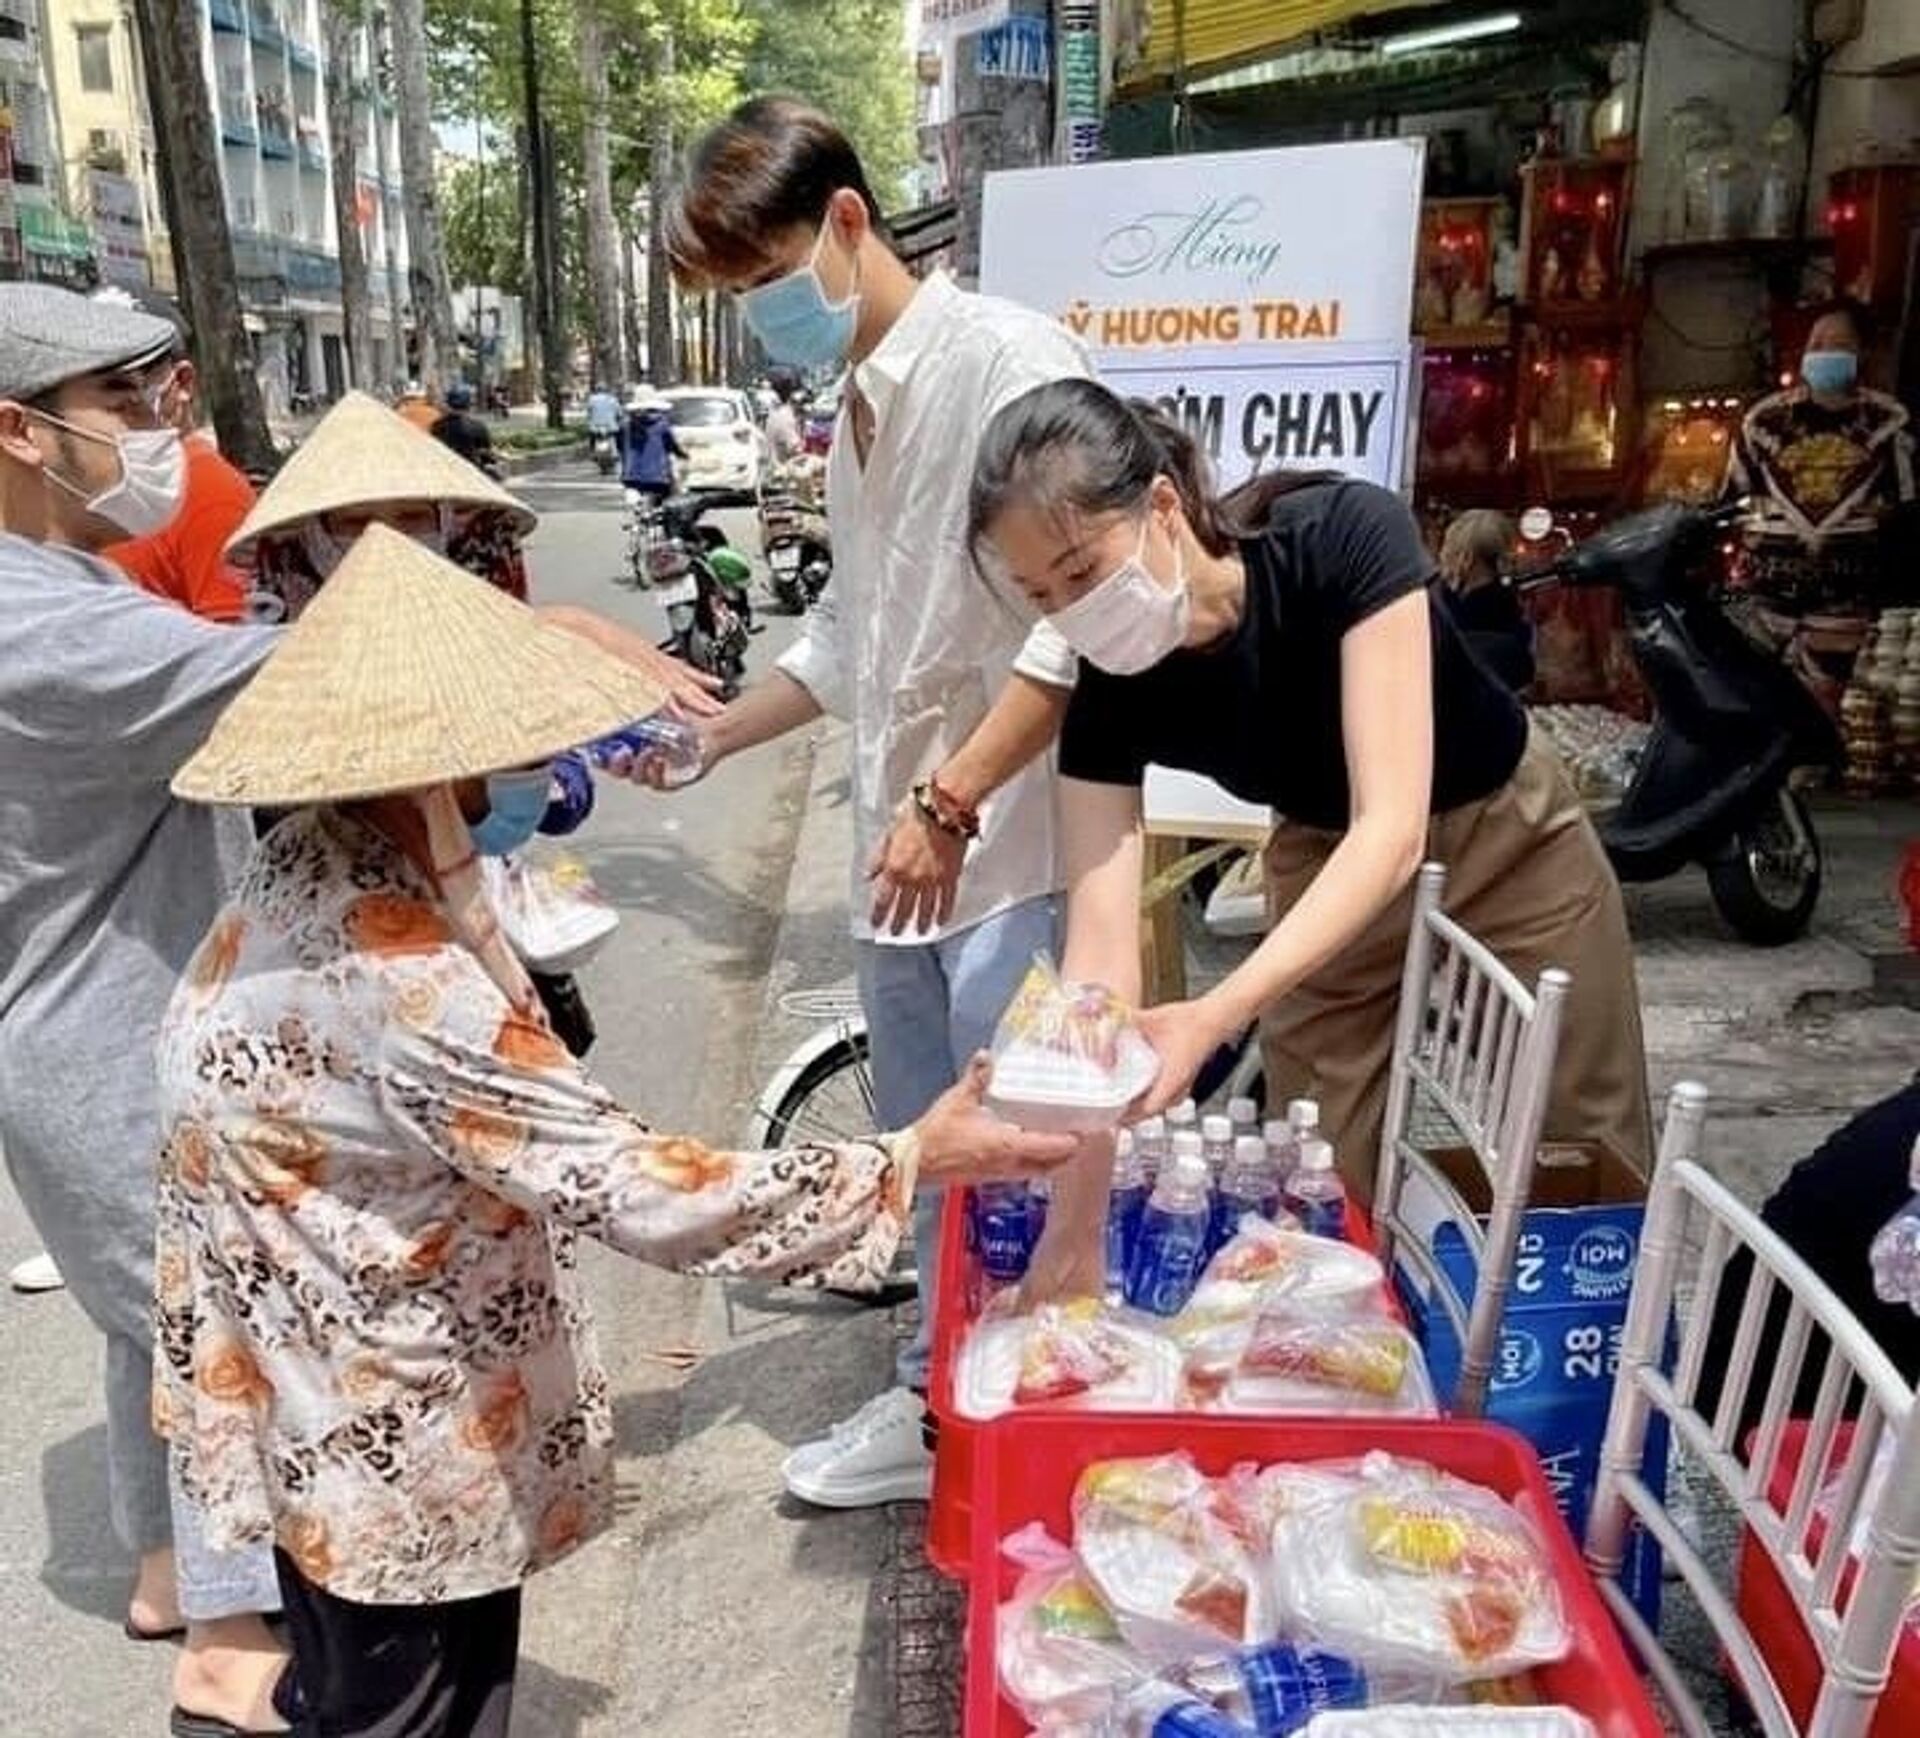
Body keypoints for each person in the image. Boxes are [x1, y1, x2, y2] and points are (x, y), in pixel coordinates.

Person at [157, 526, 1077, 1736]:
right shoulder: (399, 973)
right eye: (517, 741)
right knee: (410, 1697)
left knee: (359, 1667)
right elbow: (639, 1186)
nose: (537, 767)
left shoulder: (314, 855)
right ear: (444, 753)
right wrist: (909, 1157)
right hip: (388, 1430)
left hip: (312, 1387)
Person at [965, 379, 1654, 1290]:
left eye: (1083, 570)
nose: (1072, 612)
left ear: (1163, 506)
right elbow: (1099, 957)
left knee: (1581, 1115)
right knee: (1317, 1141)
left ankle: (1598, 1343)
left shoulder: (1340, 536)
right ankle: (1361, 1338)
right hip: (1323, 844)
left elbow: (1393, 826)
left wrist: (1213, 1013)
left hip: (1504, 824)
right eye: (1041, 594)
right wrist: (1076, 1213)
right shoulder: (1105, 698)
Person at [661, 95, 1091, 1508]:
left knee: (1018, 1152)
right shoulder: (854, 406)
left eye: (760, 283)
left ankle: (1012, 1424)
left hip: (1006, 849)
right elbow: (855, 632)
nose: (756, 321)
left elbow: (1073, 627)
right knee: (929, 1148)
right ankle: (938, 1398)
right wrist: (716, 734)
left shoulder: (1009, 366)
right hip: (896, 856)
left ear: (847, 221)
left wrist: (954, 797)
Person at [0, 282, 291, 1735]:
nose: (167, 429)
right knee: (213, 1320)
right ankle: (233, 1646)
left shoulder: (82, 580)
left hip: (112, 1024)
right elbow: (281, 677)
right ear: (20, 430)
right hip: (97, 1043)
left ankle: (173, 1567)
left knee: (147, 1318)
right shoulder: (28, 621)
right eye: (128, 402)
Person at [1727, 299, 1917, 611]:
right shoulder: (1762, 421)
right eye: (1815, 344)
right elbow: (1732, 504)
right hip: (1768, 601)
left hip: (1858, 606)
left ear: (1863, 352)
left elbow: (1906, 515)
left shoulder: (1889, 423)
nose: (1822, 352)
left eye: (1837, 344)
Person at [93, 284, 259, 624]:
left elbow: (233, 645)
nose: (113, 401)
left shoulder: (213, 493)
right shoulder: (83, 484)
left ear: (181, 383)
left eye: (123, 382)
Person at [1438, 507, 1534, 693]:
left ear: (1465, 558)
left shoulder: (1457, 620)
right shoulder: (1514, 611)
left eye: (1448, 548)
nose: (1442, 556)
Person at [619, 389, 684, 502]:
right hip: (659, 476)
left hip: (632, 476)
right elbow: (671, 444)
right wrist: (682, 454)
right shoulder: (662, 424)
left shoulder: (626, 425)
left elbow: (620, 446)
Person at [429, 381, 497, 474]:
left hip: (443, 474)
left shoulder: (436, 426)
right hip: (471, 475)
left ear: (448, 403)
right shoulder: (478, 426)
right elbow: (488, 457)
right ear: (469, 404)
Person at [765, 387, 803, 464]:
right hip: (783, 465)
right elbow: (794, 447)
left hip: (772, 460)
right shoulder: (788, 418)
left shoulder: (774, 414)